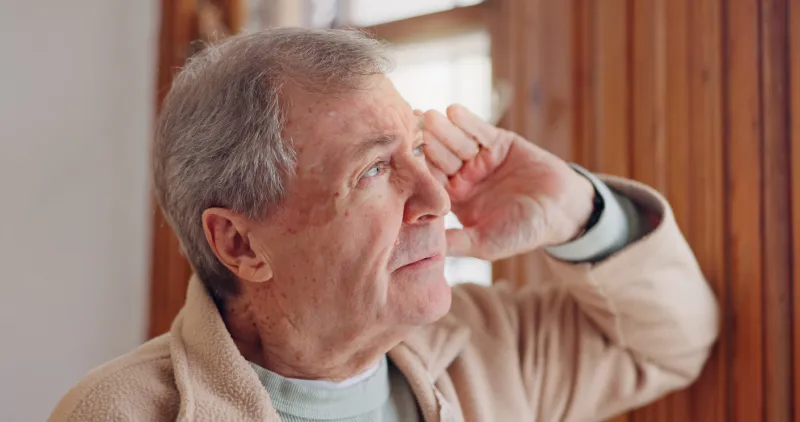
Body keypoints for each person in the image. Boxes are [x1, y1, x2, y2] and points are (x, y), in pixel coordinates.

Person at [49, 28, 719, 422]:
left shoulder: (486, 348)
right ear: (240, 243)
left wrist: (578, 209)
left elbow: (670, 345)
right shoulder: (118, 412)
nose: (435, 196)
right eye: (373, 171)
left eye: (420, 150)